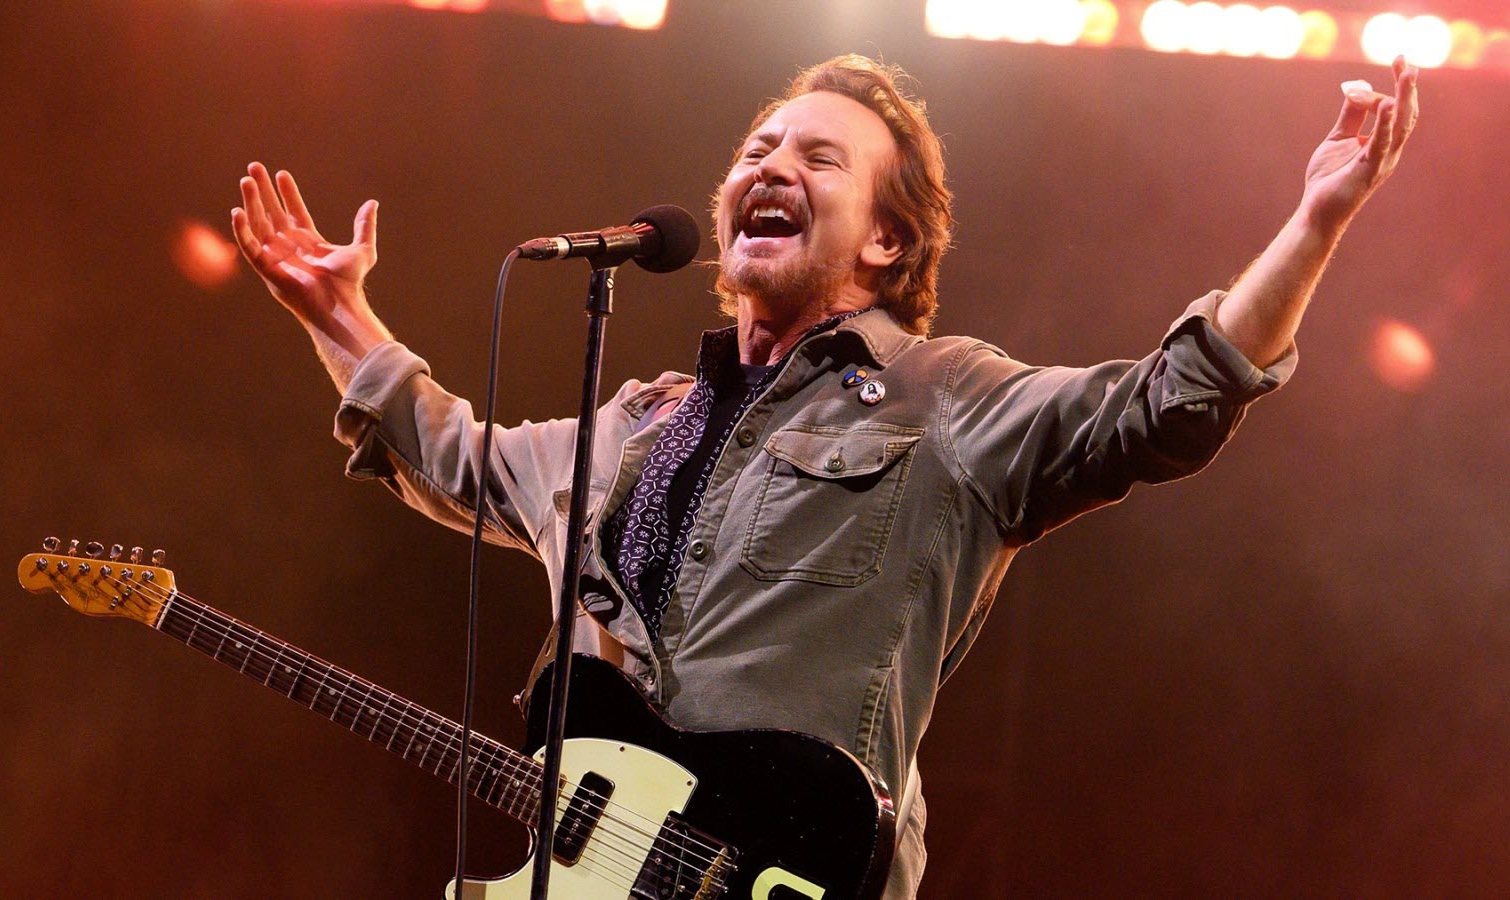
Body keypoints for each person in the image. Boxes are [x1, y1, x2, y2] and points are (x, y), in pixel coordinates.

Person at [230, 54, 1419, 897]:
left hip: (791, 870)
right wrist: (339, 315)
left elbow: (1163, 405)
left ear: (886, 239)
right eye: (757, 150)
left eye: (817, 156)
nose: (770, 166)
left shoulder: (945, 397)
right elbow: (449, 454)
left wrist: (1313, 224)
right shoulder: (633, 422)